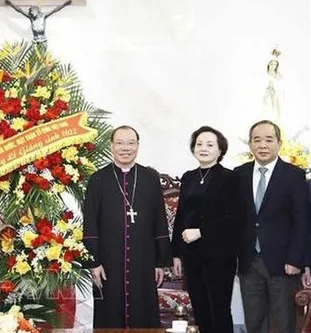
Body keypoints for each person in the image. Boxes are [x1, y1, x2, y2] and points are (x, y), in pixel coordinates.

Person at [82, 125, 171, 328]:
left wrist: (160, 262)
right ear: (111, 146)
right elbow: (90, 222)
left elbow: (159, 220)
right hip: (108, 261)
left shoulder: (150, 178)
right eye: (120, 143)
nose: (125, 148)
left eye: (131, 143)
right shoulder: (98, 179)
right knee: (109, 314)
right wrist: (93, 262)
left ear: (138, 146)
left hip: (143, 260)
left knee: (144, 312)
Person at [235, 120, 309, 333]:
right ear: (250, 144)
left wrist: (296, 259)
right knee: (255, 322)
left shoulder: (293, 175)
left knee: (284, 322)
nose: (263, 145)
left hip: (283, 263)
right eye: (257, 140)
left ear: (279, 143)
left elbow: (301, 220)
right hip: (249, 261)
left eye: (269, 140)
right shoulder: (239, 174)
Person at [171, 126, 243, 333]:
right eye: (199, 144)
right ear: (193, 148)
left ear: (220, 150)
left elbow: (234, 218)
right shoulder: (189, 177)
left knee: (219, 309)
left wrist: (202, 231)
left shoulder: (230, 178)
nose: (204, 148)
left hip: (220, 255)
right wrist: (176, 254)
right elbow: (181, 216)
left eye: (210, 145)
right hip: (192, 255)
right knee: (200, 309)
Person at [4, 0, 72, 43]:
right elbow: (20, 10)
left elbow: (55, 10)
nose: (30, 13)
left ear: (36, 11)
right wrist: (11, 4)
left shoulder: (43, 16)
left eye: (32, 11)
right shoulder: (31, 18)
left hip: (43, 41)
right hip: (35, 42)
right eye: (30, 12)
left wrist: (65, 4)